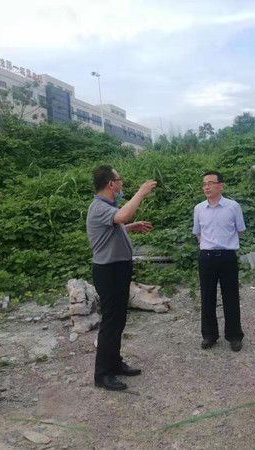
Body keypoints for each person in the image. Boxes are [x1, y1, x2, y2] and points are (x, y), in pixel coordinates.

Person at [86, 165, 156, 391]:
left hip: (118, 268)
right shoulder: (99, 207)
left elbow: (112, 229)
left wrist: (130, 227)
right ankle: (102, 374)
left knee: (119, 320)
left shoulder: (109, 207)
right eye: (119, 180)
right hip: (108, 271)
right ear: (111, 184)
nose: (122, 183)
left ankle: (114, 363)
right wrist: (141, 193)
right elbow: (123, 215)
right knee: (110, 322)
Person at [193, 171, 246, 351]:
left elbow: (239, 231)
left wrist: (225, 244)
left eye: (210, 183)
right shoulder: (199, 208)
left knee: (231, 296)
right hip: (207, 257)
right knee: (207, 296)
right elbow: (198, 233)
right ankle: (209, 335)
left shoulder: (233, 207)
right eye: (204, 184)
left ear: (221, 185)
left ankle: (234, 336)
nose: (206, 187)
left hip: (227, 256)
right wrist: (209, 246)